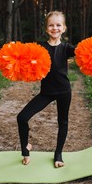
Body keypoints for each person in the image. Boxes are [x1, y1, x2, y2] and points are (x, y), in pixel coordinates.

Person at [17, 11, 75, 168]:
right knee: (22, 117)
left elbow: (85, 53)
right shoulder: (40, 47)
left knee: (63, 122)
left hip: (64, 91)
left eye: (58, 25)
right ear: (46, 28)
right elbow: (23, 57)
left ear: (64, 28)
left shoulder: (67, 48)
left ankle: (58, 154)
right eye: (51, 25)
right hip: (46, 93)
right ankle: (25, 149)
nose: (54, 28)